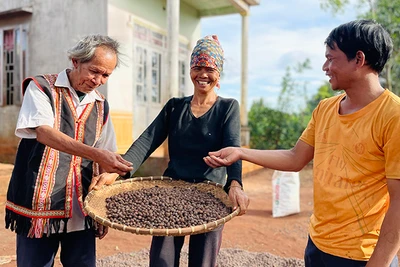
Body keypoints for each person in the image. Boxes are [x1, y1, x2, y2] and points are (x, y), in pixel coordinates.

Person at [204, 20, 400, 267]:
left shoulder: (393, 116)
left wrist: (379, 263)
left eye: (331, 58)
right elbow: (296, 158)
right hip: (318, 247)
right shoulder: (326, 109)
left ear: (359, 59)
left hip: (363, 256)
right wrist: (240, 152)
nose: (325, 67)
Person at [90, 35, 250, 267]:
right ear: (190, 70)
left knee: (203, 262)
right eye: (197, 67)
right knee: (161, 260)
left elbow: (233, 147)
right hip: (171, 191)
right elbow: (147, 140)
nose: (202, 74)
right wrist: (116, 172)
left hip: (211, 196)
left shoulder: (227, 108)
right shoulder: (175, 107)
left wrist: (235, 183)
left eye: (209, 68)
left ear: (218, 74)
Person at [5, 34, 133, 267]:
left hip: (81, 207)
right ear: (75, 61)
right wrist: (95, 154)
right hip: (41, 204)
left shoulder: (101, 104)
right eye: (94, 71)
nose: (98, 80)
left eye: (106, 75)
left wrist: (103, 202)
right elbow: (44, 133)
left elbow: (108, 153)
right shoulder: (41, 88)